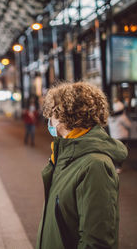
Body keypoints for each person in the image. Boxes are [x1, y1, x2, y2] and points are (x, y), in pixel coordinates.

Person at [37, 82, 127, 249]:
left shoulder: (95, 165)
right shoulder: (66, 155)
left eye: (53, 113)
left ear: (65, 117)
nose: (49, 119)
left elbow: (97, 240)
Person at [108, 100, 132, 173]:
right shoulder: (122, 117)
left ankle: (114, 166)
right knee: (121, 153)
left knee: (115, 152)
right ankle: (118, 167)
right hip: (122, 137)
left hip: (114, 137)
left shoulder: (110, 117)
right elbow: (129, 125)